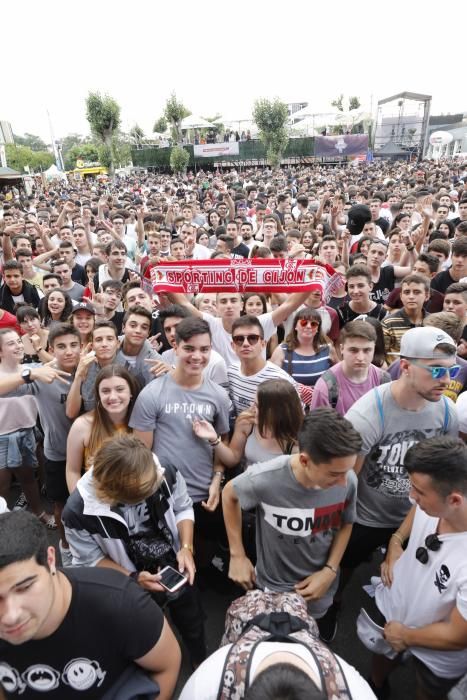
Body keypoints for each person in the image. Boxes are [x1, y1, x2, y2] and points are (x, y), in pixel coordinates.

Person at [0, 510, 181, 699]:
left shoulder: (119, 602)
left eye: (24, 587)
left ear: (50, 560)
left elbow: (167, 665)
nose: (11, 616)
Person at [63, 434, 207, 669]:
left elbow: (182, 506)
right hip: (127, 577)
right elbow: (91, 559)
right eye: (142, 492)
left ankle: (199, 657)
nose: (153, 489)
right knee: (142, 628)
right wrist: (133, 578)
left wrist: (186, 547)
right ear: (111, 493)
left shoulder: (164, 472)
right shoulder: (78, 511)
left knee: (191, 616)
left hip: (173, 562)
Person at [222, 408, 362, 642]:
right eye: (334, 474)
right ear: (305, 460)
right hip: (273, 589)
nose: (343, 482)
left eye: (347, 471)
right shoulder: (266, 478)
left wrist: (329, 571)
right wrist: (237, 554)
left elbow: (346, 523)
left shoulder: (348, 481)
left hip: (319, 590)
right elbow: (229, 494)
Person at [340, 327, 459, 588]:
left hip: (417, 514)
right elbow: (346, 483)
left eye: (453, 370)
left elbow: (442, 477)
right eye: (437, 370)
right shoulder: (367, 415)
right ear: (405, 366)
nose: (447, 380)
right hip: (366, 517)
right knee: (345, 568)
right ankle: (335, 606)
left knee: (409, 578)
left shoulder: (448, 412)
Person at [368, 437, 467, 700]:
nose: (412, 497)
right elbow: (415, 512)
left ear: (455, 500)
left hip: (437, 651)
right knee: (381, 659)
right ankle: (376, 686)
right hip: (394, 606)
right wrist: (396, 540)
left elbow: (458, 635)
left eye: (419, 492)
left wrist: (408, 636)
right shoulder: (434, 497)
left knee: (428, 690)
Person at [129, 318, 230, 556]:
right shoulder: (152, 394)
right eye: (189, 349)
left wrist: (217, 479)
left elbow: (220, 444)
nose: (197, 356)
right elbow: (141, 455)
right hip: (166, 498)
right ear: (175, 347)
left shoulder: (219, 396)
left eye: (204, 349)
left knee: (204, 557)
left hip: (205, 497)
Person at [0, 329, 70, 529]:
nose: (19, 346)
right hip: (2, 437)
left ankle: (39, 512)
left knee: (29, 479)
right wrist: (29, 374)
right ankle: (4, 524)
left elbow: (56, 364)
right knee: (2, 485)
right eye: (11, 343)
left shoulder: (33, 367)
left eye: (19, 342)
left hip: (28, 432)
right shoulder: (29, 372)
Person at [194, 378, 303, 468]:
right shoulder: (247, 422)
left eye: (257, 405)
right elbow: (233, 459)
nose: (252, 408)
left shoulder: (298, 441)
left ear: (276, 412)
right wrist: (214, 439)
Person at [66, 366, 139, 493]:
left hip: (133, 499)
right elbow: (72, 471)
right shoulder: (82, 425)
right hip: (95, 500)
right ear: (98, 395)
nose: (113, 397)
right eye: (105, 391)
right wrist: (80, 504)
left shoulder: (142, 425)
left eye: (120, 389)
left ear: (131, 392)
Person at [311, 320, 391, 415]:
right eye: (353, 350)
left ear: (374, 349)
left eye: (367, 350)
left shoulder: (384, 381)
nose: (360, 358)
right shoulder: (325, 387)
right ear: (341, 349)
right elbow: (318, 427)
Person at [227, 315, 296, 416]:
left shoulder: (280, 380)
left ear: (263, 344)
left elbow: (296, 421)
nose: (246, 344)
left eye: (253, 338)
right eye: (239, 339)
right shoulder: (231, 373)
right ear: (233, 346)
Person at [270, 308, 336, 406]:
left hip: (320, 408)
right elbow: (271, 382)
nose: (308, 326)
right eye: (304, 323)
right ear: (295, 326)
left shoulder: (328, 349)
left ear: (318, 329)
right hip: (292, 407)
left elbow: (339, 376)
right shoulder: (282, 350)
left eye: (313, 324)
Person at [381, 274, 430, 363]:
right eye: (407, 292)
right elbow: (381, 356)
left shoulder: (433, 322)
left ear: (427, 296)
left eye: (417, 292)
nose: (411, 296)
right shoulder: (388, 323)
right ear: (401, 296)